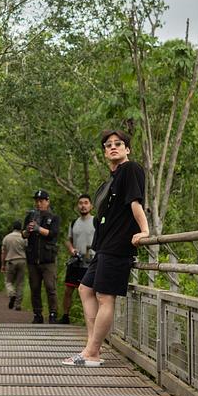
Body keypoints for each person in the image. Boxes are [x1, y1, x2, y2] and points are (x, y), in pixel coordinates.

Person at [63, 129, 149, 366]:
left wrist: (145, 230)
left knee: (104, 297)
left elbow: (135, 202)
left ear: (127, 149)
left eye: (118, 144)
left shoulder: (131, 169)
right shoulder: (111, 179)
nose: (113, 147)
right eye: (108, 145)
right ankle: (93, 348)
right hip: (105, 246)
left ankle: (91, 352)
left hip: (119, 245)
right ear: (104, 152)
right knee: (85, 289)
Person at [22, 189, 60, 323]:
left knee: (50, 287)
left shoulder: (54, 217)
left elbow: (53, 234)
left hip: (48, 259)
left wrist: (39, 229)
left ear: (47, 201)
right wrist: (28, 230)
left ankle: (53, 314)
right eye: (36, 201)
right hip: (33, 258)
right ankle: (37, 314)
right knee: (35, 287)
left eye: (41, 201)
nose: (38, 204)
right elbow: (23, 234)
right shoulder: (30, 216)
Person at [59, 194, 95, 324]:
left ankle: (90, 320)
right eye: (80, 203)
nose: (83, 205)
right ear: (77, 206)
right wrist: (72, 250)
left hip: (91, 262)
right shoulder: (74, 223)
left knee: (91, 292)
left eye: (86, 203)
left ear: (91, 206)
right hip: (76, 261)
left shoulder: (96, 222)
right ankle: (65, 316)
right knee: (68, 290)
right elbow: (68, 240)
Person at [0, 220, 27, 309]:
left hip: (11, 261)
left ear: (13, 228)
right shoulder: (23, 238)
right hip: (22, 260)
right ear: (20, 228)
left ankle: (12, 294)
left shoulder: (7, 238)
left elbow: (3, 252)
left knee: (8, 281)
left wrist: (3, 265)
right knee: (20, 283)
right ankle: (18, 305)